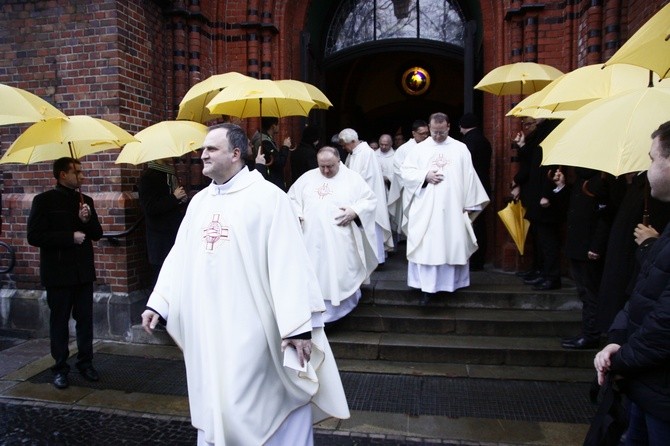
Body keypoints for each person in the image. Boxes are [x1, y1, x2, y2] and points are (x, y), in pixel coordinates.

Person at [141, 123, 349, 445]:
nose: (202, 155)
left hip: (255, 327)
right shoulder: (199, 203)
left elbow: (289, 262)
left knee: (263, 396)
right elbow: (180, 255)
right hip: (210, 328)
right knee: (218, 395)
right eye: (203, 149)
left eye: (212, 149)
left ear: (236, 154)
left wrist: (296, 326)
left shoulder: (268, 198)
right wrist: (160, 301)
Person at [594, 121, 670, 445]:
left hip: (660, 389)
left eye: (653, 159)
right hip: (647, 384)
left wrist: (620, 357)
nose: (648, 167)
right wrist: (618, 337)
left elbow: (665, 321)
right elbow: (647, 291)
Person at [27, 157, 104, 390]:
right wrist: (69, 237)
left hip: (82, 273)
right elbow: (35, 236)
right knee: (59, 323)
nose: (82, 177)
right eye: (77, 172)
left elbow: (97, 234)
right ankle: (60, 368)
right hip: (58, 274)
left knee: (85, 321)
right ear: (62, 174)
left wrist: (86, 220)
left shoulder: (86, 201)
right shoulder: (44, 201)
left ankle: (85, 363)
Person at [401, 112, 489, 303]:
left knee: (451, 243)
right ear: (430, 128)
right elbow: (406, 173)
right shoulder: (419, 149)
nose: (438, 136)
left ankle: (450, 285)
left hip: (452, 208)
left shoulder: (460, 148)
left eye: (441, 132)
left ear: (449, 127)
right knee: (428, 246)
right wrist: (424, 176)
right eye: (434, 132)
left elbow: (469, 177)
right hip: (426, 208)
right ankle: (426, 288)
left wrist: (469, 204)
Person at [288, 146, 378, 323]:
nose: (326, 170)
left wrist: (354, 211)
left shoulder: (353, 179)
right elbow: (292, 199)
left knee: (339, 274)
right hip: (311, 240)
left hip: (341, 240)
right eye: (322, 166)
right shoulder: (306, 178)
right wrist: (297, 214)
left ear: (339, 161)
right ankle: (317, 314)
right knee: (316, 275)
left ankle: (341, 310)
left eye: (330, 166)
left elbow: (369, 200)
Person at [511, 117, 566, 290]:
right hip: (536, 192)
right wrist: (522, 146)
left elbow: (551, 166)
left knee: (547, 239)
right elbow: (532, 161)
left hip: (545, 194)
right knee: (540, 238)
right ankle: (542, 272)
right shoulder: (541, 132)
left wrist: (547, 194)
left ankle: (551, 276)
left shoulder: (553, 129)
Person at [560, 168, 610, 350]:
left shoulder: (599, 182)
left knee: (590, 292)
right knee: (584, 291)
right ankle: (588, 332)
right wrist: (561, 187)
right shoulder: (581, 181)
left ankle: (591, 334)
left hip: (588, 248)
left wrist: (596, 246)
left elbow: (604, 218)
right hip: (577, 245)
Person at [338, 127, 394, 264]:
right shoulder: (354, 153)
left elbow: (364, 178)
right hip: (358, 198)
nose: (344, 148)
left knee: (372, 228)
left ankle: (376, 259)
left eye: (345, 145)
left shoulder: (366, 153)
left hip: (367, 199)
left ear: (352, 141)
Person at [137, 158, 188, 289]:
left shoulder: (170, 173)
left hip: (174, 232)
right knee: (161, 277)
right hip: (159, 237)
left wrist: (182, 199)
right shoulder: (148, 177)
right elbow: (150, 208)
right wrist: (174, 198)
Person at [459, 113, 492, 271]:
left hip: (472, 189)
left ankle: (474, 260)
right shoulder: (484, 140)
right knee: (480, 224)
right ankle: (480, 259)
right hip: (484, 186)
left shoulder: (467, 143)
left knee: (472, 224)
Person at [388, 119, 430, 242]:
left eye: (427, 133)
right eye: (422, 133)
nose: (425, 136)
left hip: (429, 191)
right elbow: (399, 170)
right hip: (412, 191)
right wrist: (419, 180)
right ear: (414, 133)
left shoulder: (431, 146)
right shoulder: (404, 150)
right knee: (414, 224)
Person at [251, 116, 291, 190]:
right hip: (270, 181)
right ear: (273, 126)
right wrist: (285, 147)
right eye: (278, 125)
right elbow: (279, 162)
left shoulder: (264, 138)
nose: (278, 127)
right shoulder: (264, 141)